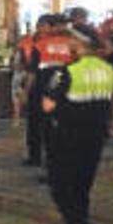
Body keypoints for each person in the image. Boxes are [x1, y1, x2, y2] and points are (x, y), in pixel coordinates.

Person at [42, 25, 113, 224]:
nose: (68, 43)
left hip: (67, 137)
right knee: (82, 189)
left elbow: (48, 105)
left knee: (61, 188)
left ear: (79, 43)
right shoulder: (108, 70)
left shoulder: (68, 71)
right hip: (95, 137)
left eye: (71, 39)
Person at [25, 14, 73, 171]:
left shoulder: (40, 45)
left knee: (37, 124)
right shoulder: (71, 45)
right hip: (62, 90)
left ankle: (36, 157)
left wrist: (26, 91)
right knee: (58, 126)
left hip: (41, 89)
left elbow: (32, 72)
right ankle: (59, 159)